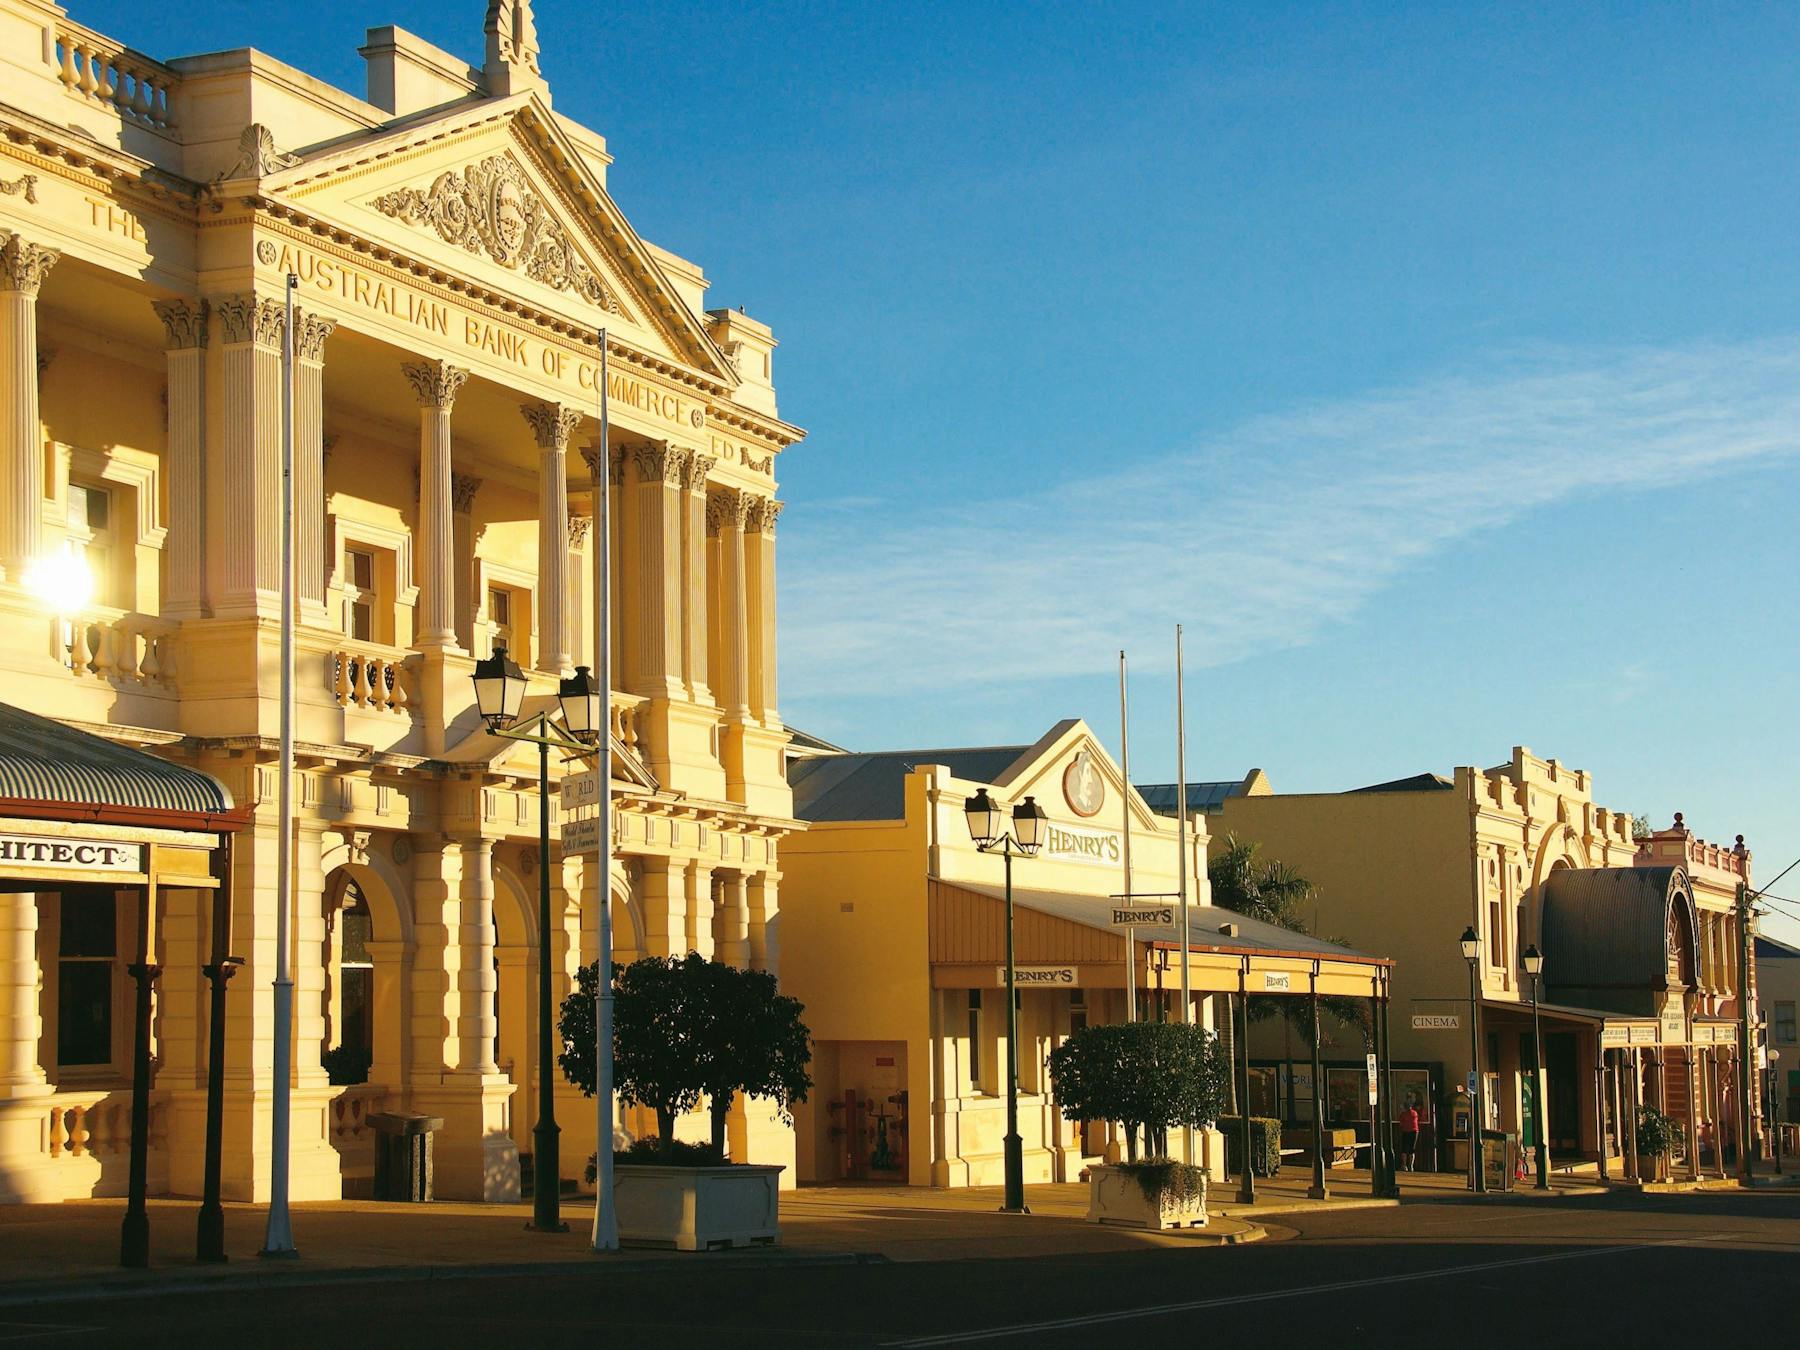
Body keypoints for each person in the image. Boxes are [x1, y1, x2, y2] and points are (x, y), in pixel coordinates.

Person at [1398, 1099, 1421, 1171]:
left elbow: (1401, 1123)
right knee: (1412, 1149)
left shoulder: (1403, 1114)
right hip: (1414, 1131)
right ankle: (1411, 1166)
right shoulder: (1415, 1113)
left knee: (1404, 1149)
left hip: (1405, 1131)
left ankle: (1404, 1166)